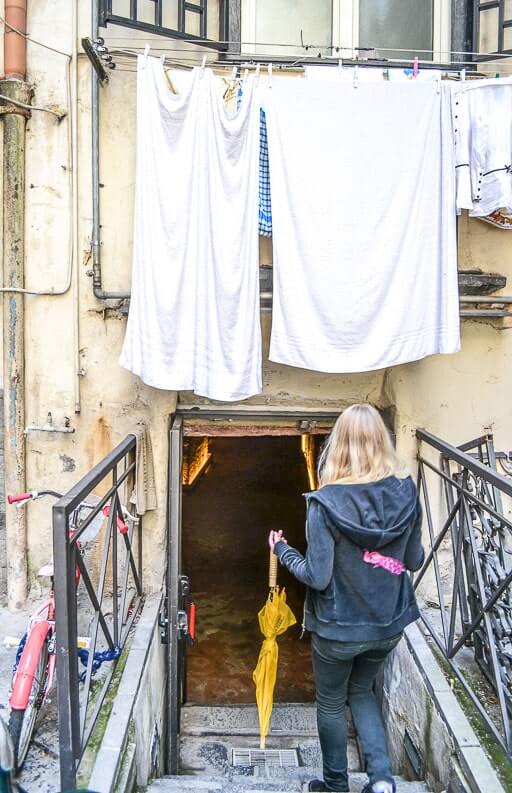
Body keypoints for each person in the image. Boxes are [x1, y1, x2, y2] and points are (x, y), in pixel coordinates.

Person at [269, 404, 424, 793]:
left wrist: (282, 550)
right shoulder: (407, 493)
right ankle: (382, 780)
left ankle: (336, 786)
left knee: (333, 703)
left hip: (338, 630)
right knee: (363, 691)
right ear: (380, 443)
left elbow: (317, 578)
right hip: (388, 624)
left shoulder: (324, 503)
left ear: (338, 445)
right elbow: (414, 560)